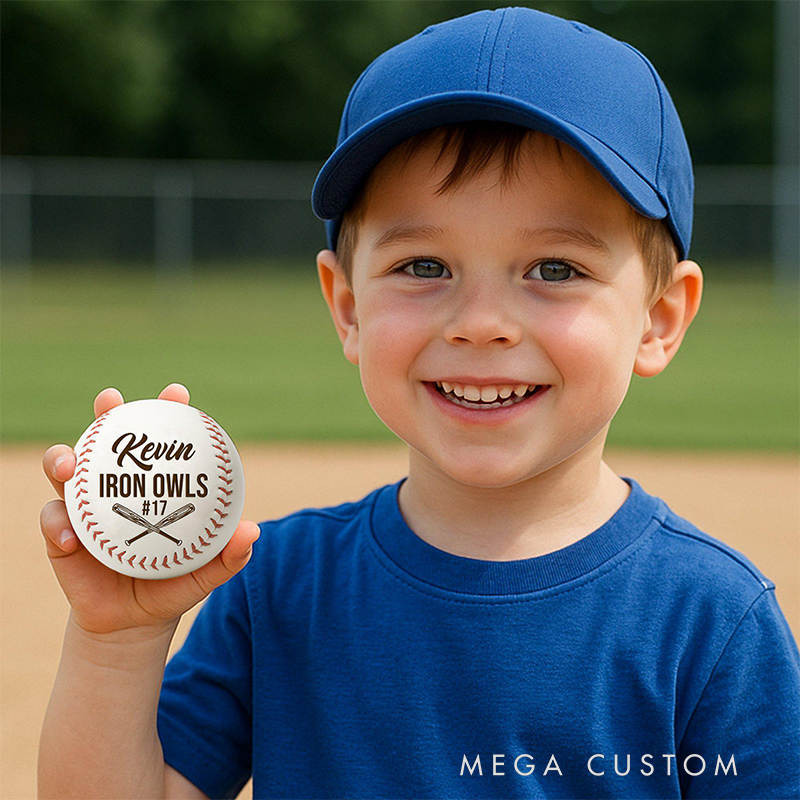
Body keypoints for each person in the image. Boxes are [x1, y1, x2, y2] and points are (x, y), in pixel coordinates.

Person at [38, 7, 799, 799]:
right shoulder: (275, 591)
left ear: (659, 318)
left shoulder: (712, 625)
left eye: (556, 269)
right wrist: (115, 643)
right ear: (348, 306)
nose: (480, 324)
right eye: (425, 265)